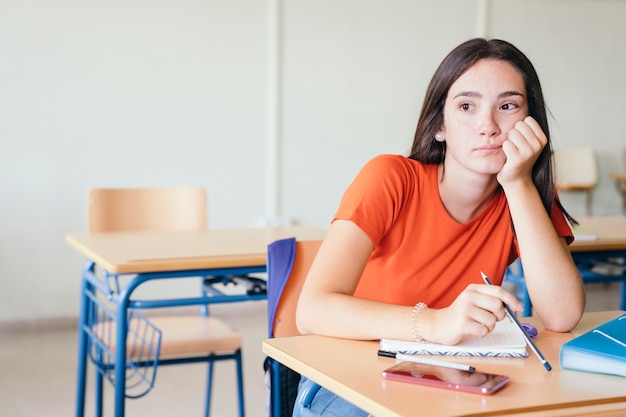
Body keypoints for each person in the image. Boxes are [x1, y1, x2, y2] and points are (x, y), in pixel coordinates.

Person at [294, 38, 586, 416]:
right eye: (467, 106)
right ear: (439, 126)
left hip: (448, 378)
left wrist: (517, 183)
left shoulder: (525, 195)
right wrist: (435, 322)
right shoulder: (390, 178)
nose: (488, 127)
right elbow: (312, 311)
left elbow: (562, 316)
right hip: (349, 378)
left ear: (531, 124)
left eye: (508, 106)